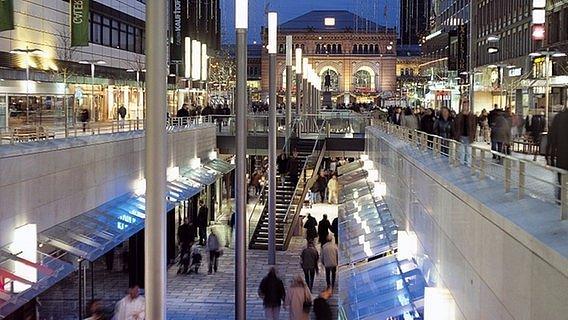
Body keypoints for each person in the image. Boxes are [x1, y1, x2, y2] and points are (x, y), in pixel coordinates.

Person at [547, 107, 568, 200]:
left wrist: (549, 156)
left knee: (561, 178)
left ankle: (560, 199)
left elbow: (551, 138)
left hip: (562, 155)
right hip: (561, 153)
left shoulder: (558, 118)